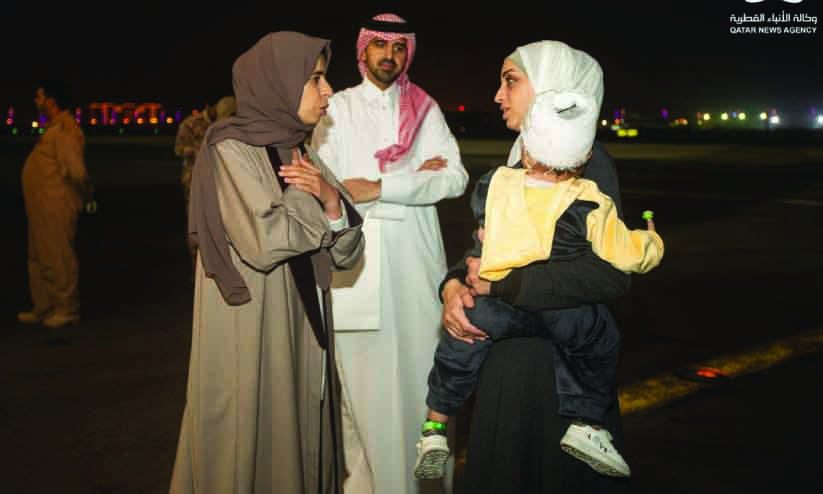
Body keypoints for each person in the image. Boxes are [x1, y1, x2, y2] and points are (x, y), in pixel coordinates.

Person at [416, 77, 665, 479]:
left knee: (458, 351)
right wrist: (650, 241)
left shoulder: (498, 182)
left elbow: (484, 241)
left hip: (510, 326)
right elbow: (625, 254)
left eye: (511, 80)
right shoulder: (587, 199)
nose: (499, 94)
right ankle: (588, 424)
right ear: (579, 156)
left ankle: (434, 426)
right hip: (552, 321)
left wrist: (486, 279)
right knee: (601, 339)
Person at [169, 31, 365, 494]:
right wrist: (319, 201)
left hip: (301, 322)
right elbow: (266, 239)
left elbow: (348, 251)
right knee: (252, 439)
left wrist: (332, 203)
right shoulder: (229, 149)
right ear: (278, 81)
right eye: (315, 78)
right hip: (255, 325)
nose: (328, 91)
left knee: (298, 436)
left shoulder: (300, 148)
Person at [311, 13, 468, 494]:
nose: (390, 55)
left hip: (417, 271)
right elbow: (329, 188)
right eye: (380, 44)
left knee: (425, 390)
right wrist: (416, 176)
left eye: (399, 47)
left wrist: (379, 186)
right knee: (362, 403)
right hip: (355, 273)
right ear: (363, 50)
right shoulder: (336, 109)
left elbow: (454, 178)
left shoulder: (425, 108)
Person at [18, 78, 94, 328]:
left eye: (39, 97)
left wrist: (88, 196)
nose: (36, 101)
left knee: (57, 257)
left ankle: (66, 309)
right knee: (38, 258)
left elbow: (77, 172)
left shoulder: (65, 130)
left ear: (51, 101)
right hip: (41, 208)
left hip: (56, 206)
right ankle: (44, 306)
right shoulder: (53, 129)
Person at [174, 90, 236, 278]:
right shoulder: (191, 124)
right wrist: (202, 151)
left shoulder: (225, 122)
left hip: (219, 181)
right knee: (196, 225)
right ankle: (197, 271)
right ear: (210, 106)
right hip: (194, 181)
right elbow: (179, 149)